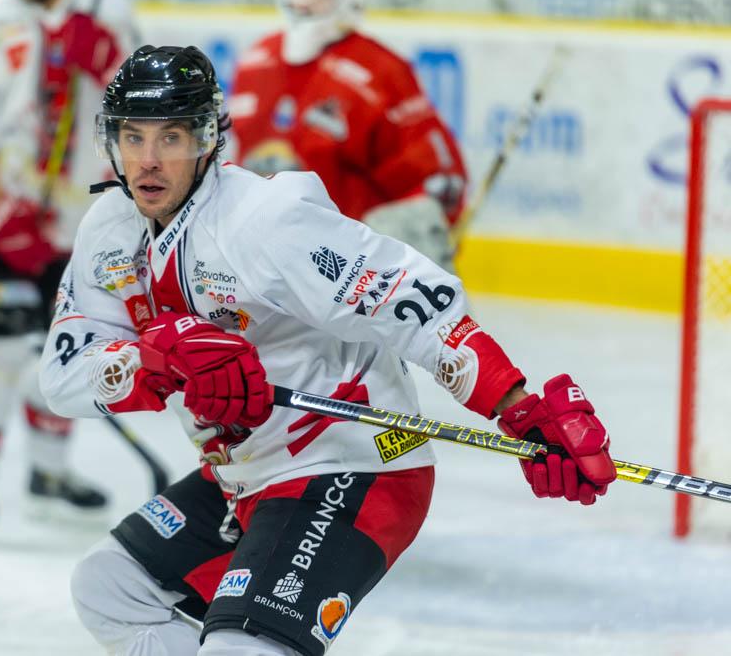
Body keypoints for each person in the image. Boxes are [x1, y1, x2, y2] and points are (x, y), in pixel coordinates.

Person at [39, 45, 616, 655]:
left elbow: (408, 299)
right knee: (110, 588)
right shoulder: (108, 230)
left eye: (171, 137)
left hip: (350, 465)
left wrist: (517, 406)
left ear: (207, 140)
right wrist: (151, 364)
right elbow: (64, 374)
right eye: (133, 137)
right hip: (244, 475)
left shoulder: (264, 220)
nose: (148, 160)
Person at [0, 0, 137, 531]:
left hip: (78, 219)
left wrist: (111, 66)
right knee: (3, 351)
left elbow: (143, 114)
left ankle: (48, 472)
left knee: (68, 349)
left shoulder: (109, 16)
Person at [230, 0, 466, 271]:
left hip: (350, 273)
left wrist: (401, 251)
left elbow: (434, 182)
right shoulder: (254, 62)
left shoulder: (383, 71)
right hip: (266, 264)